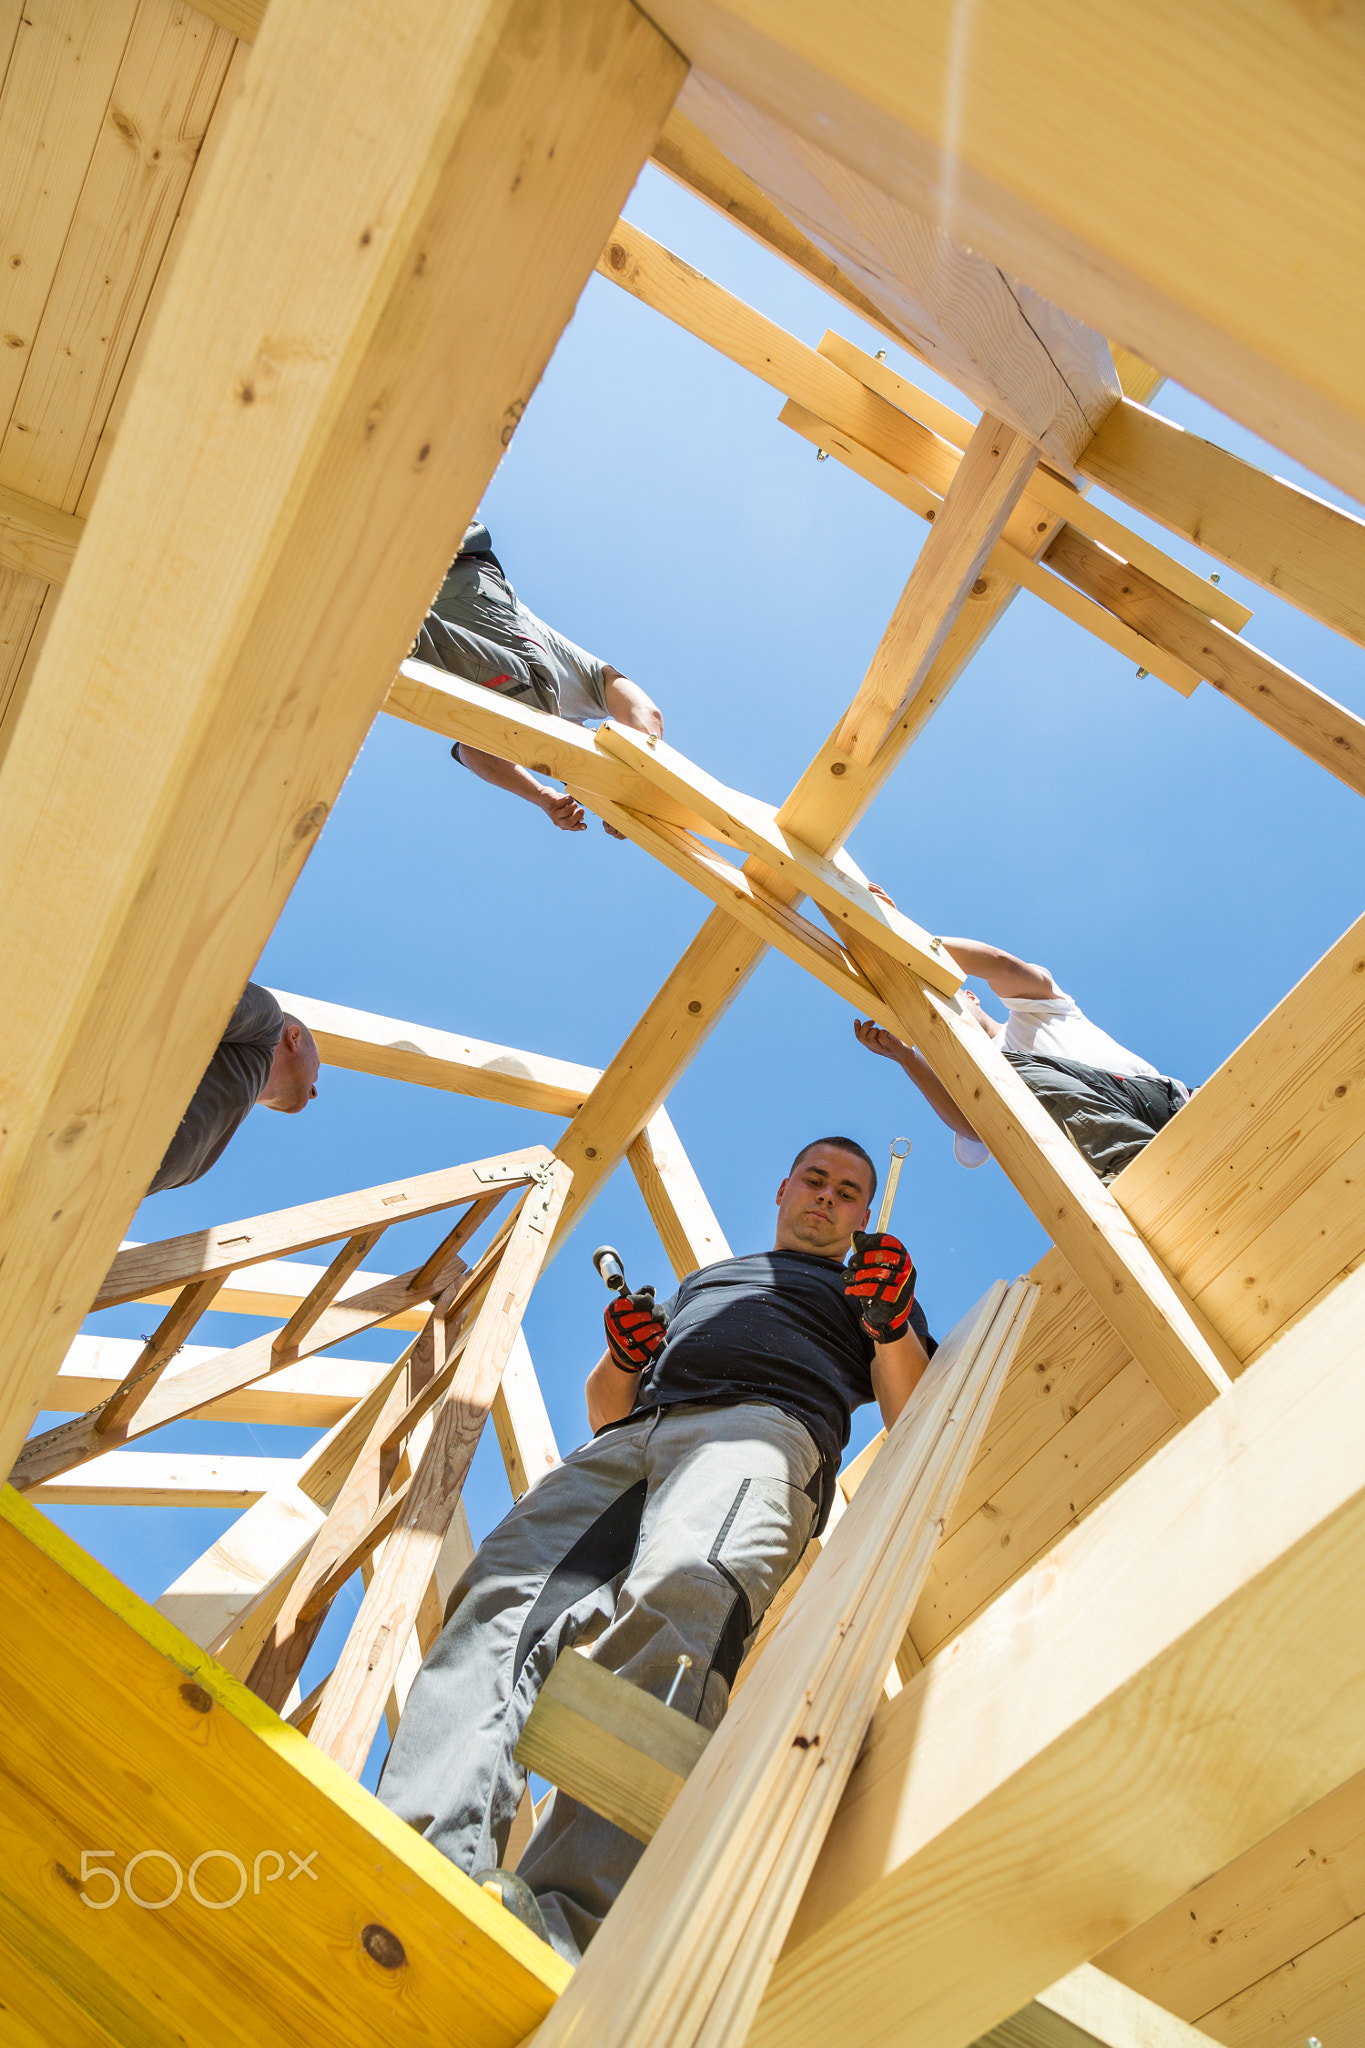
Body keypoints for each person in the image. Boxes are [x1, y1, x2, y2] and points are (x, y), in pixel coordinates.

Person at [377, 1137, 933, 1960]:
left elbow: (911, 1407)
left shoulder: (865, 1287)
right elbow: (607, 1403)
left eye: (848, 1192)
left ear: (862, 1213)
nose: (827, 1197)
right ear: (782, 1188)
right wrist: (626, 1354)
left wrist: (888, 1319)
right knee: (500, 1596)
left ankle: (561, 1933)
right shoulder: (708, 1283)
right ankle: (417, 1861)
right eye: (814, 1179)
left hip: (761, 1430)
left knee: (682, 1598)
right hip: (634, 1438)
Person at [854, 936, 1190, 1184]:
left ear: (970, 995)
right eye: (924, 1019)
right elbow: (973, 1128)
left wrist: (905, 939)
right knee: (995, 1083)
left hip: (1160, 1110)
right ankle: (1131, 1174)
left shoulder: (1039, 1011)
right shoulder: (982, 1083)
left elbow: (1000, 964)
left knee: (1001, 1073)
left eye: (940, 999)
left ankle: (1133, 1169)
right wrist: (907, 1057)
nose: (936, 1013)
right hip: (1102, 1159)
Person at [414, 520, 663, 834]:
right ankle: (400, 637)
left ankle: (397, 634)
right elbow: (646, 715)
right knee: (535, 709)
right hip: (463, 580)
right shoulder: (589, 690)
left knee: (499, 722)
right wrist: (637, 786)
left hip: (432, 591)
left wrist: (542, 795)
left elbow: (472, 748)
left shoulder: (540, 732)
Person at [148, 983, 319, 1194]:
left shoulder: (209, 1149)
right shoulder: (267, 1018)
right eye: (317, 1069)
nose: (314, 1093)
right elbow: (170, 1006)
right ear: (294, 1037)